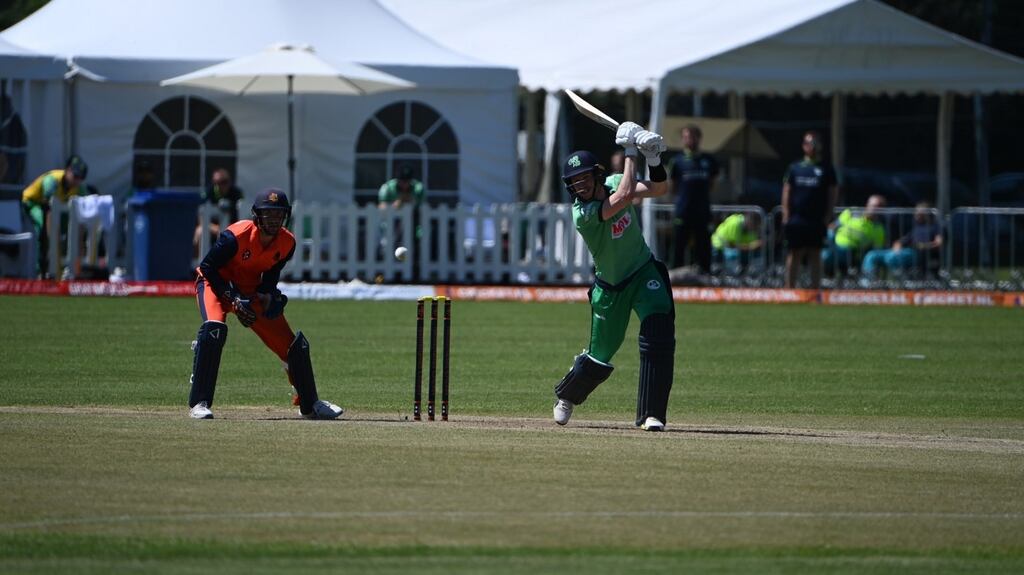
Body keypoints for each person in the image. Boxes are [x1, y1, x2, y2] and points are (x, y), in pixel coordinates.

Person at [552, 121, 675, 432]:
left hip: (643, 270)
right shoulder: (582, 213)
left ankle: (652, 414)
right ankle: (567, 395)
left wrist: (654, 158)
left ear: (597, 174)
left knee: (658, 334)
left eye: (584, 177)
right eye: (574, 181)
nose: (580, 185)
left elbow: (660, 189)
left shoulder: (617, 180)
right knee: (599, 357)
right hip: (611, 288)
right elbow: (621, 199)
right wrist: (632, 150)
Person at [187, 188, 343, 420]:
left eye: (278, 214)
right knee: (214, 329)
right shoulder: (235, 236)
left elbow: (270, 277)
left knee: (293, 346)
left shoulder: (287, 242)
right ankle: (199, 402)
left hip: (249, 290)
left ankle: (310, 404)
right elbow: (208, 267)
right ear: (256, 216)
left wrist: (270, 296)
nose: (273, 219)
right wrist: (231, 298)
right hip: (215, 285)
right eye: (268, 214)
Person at [781, 131, 837, 289]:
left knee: (815, 254)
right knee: (795, 253)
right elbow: (786, 191)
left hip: (816, 219)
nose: (811, 146)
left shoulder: (826, 169)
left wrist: (828, 215)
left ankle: (815, 290)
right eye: (808, 143)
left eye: (814, 143)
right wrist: (786, 215)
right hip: (797, 219)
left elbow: (833, 193)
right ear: (803, 146)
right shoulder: (795, 168)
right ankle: (789, 288)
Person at [21, 155, 89, 277]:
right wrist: (52, 239)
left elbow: (82, 211)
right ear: (67, 171)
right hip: (33, 203)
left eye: (81, 178)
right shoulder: (52, 180)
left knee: (70, 227)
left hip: (56, 209)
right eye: (75, 176)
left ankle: (64, 267)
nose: (77, 180)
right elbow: (49, 210)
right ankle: (38, 270)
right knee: (40, 227)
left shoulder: (79, 188)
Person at [668, 124, 719, 273]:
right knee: (678, 245)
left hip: (702, 210)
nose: (688, 140)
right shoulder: (677, 161)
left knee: (703, 245)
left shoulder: (708, 160)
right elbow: (672, 186)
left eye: (691, 136)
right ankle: (675, 276)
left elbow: (712, 184)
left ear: (698, 138)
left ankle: (705, 275)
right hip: (683, 210)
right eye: (685, 137)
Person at [861, 201, 942, 280]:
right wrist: (897, 247)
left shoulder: (935, 227)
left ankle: (902, 281)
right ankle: (867, 283)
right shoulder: (916, 229)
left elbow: (938, 243)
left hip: (917, 254)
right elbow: (899, 241)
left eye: (919, 212)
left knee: (891, 257)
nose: (916, 214)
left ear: (926, 213)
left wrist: (924, 246)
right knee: (872, 255)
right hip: (901, 252)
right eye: (916, 211)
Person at [823, 194, 887, 276]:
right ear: (867, 204)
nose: (874, 209)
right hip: (835, 247)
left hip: (854, 254)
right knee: (825, 251)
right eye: (873, 205)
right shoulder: (852, 212)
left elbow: (877, 249)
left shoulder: (878, 228)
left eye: (879, 207)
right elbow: (833, 227)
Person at [193, 168, 244, 254]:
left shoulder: (236, 193)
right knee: (199, 232)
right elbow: (201, 215)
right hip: (212, 227)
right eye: (218, 183)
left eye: (225, 181)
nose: (223, 185)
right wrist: (216, 228)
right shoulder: (209, 193)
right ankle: (198, 263)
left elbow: (242, 214)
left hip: (232, 228)